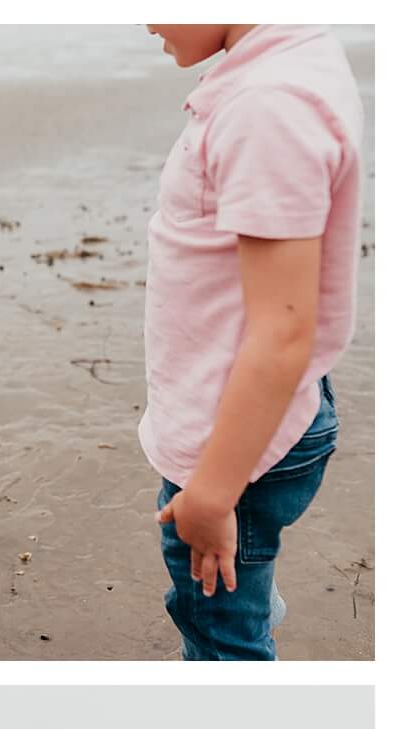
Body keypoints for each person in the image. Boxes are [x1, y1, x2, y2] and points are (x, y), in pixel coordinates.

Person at [141, 24, 362, 661]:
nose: (147, 19)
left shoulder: (269, 105)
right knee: (239, 593)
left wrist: (212, 492)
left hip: (234, 450)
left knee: (222, 636)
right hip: (249, 423)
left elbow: (283, 331)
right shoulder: (281, 66)